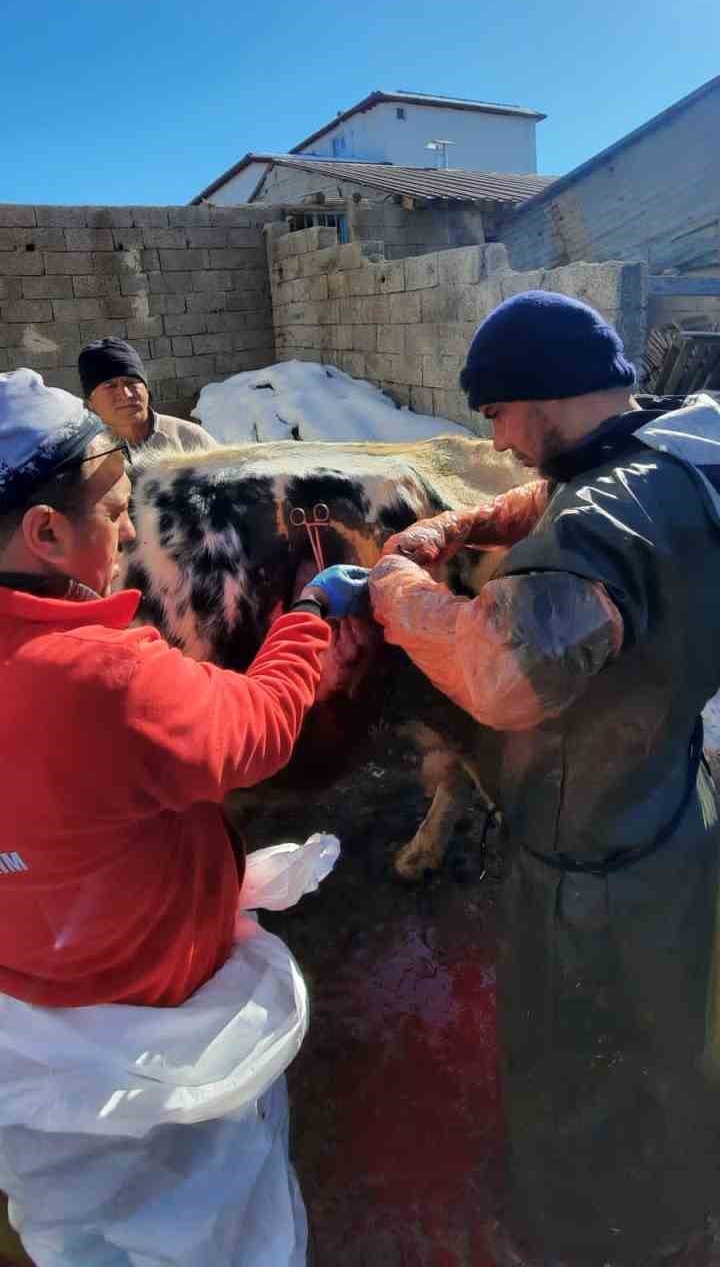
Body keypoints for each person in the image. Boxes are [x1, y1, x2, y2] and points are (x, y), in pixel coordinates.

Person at [367, 292, 720, 1267]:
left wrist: (398, 591)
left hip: (587, 859)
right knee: (670, 1033)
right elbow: (571, 489)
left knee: (567, 1060)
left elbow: (507, 673)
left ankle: (572, 1234)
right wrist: (464, 524)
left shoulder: (608, 515)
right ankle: (681, 1197)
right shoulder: (686, 450)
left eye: (495, 416)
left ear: (540, 402)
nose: (498, 438)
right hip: (672, 809)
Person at [0, 367, 367, 1264]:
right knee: (212, 1226)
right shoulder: (98, 680)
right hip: (159, 1028)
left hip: (29, 1025)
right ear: (46, 530)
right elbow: (263, 726)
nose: (130, 528)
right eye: (118, 508)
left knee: (83, 1230)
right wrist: (313, 611)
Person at [77, 336, 217, 452]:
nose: (126, 394)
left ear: (146, 389)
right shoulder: (86, 454)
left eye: (131, 382)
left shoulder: (190, 439)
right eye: (111, 386)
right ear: (91, 403)